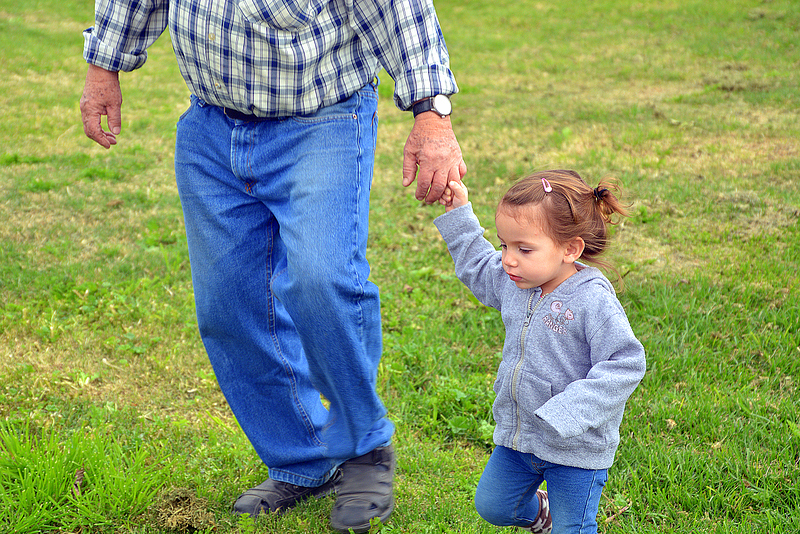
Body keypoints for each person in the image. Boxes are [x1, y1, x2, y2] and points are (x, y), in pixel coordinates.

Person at [79, 1, 466, 532]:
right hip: (212, 127)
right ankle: (305, 459)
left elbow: (399, 10)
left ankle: (364, 450)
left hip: (321, 121)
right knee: (230, 306)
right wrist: (105, 64)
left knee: (321, 281)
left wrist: (432, 114)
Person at [434, 170, 646, 534]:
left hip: (575, 448)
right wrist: (458, 213)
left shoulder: (592, 299)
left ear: (570, 249)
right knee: (494, 506)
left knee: (573, 528)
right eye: (505, 246)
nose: (509, 260)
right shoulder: (516, 282)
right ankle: (540, 514)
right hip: (521, 436)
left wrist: (569, 411)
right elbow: (476, 266)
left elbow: (625, 362)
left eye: (524, 249)